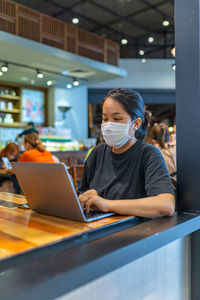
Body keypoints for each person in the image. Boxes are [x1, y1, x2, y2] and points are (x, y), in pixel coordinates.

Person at [78, 88, 175, 218]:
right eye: (105, 119)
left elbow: (166, 205)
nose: (109, 125)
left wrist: (106, 204)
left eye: (117, 118)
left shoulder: (148, 154)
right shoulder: (97, 153)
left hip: (133, 232)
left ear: (136, 124)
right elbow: (82, 194)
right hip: (97, 228)